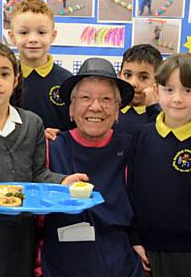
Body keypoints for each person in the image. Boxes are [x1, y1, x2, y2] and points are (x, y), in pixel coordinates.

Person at [0, 41, 87, 277]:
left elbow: (38, 174)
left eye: (4, 73)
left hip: (22, 226)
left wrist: (63, 182)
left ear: (16, 79)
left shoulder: (32, 123)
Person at [42, 58, 144, 277]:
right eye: (85, 97)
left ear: (117, 111)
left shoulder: (131, 149)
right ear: (71, 107)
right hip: (63, 264)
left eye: (106, 99)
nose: (95, 107)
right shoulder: (51, 148)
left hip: (121, 265)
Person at [128, 53, 191, 277]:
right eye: (169, 90)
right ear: (156, 89)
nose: (177, 99)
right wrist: (133, 239)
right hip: (144, 248)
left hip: (189, 252)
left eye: (188, 90)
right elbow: (131, 190)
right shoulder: (142, 136)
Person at [7, 0, 74, 135]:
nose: (33, 39)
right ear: (12, 37)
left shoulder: (68, 81)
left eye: (41, 32)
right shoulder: (5, 79)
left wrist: (61, 136)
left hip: (56, 154)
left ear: (53, 36)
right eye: (24, 33)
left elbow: (76, 128)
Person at [114, 44, 163, 135]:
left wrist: (154, 108)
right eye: (128, 75)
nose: (133, 83)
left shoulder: (161, 116)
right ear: (120, 75)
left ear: (157, 80)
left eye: (143, 77)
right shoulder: (111, 110)